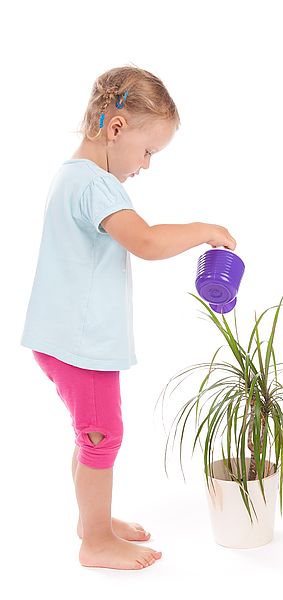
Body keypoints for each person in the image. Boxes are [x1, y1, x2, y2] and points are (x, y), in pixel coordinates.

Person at [20, 65, 236, 570]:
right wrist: (205, 229)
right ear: (115, 129)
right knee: (102, 436)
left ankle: (90, 519)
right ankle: (94, 540)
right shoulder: (97, 186)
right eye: (148, 151)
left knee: (88, 433)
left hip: (57, 339)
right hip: (83, 344)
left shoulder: (70, 175)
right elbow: (145, 241)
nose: (146, 164)